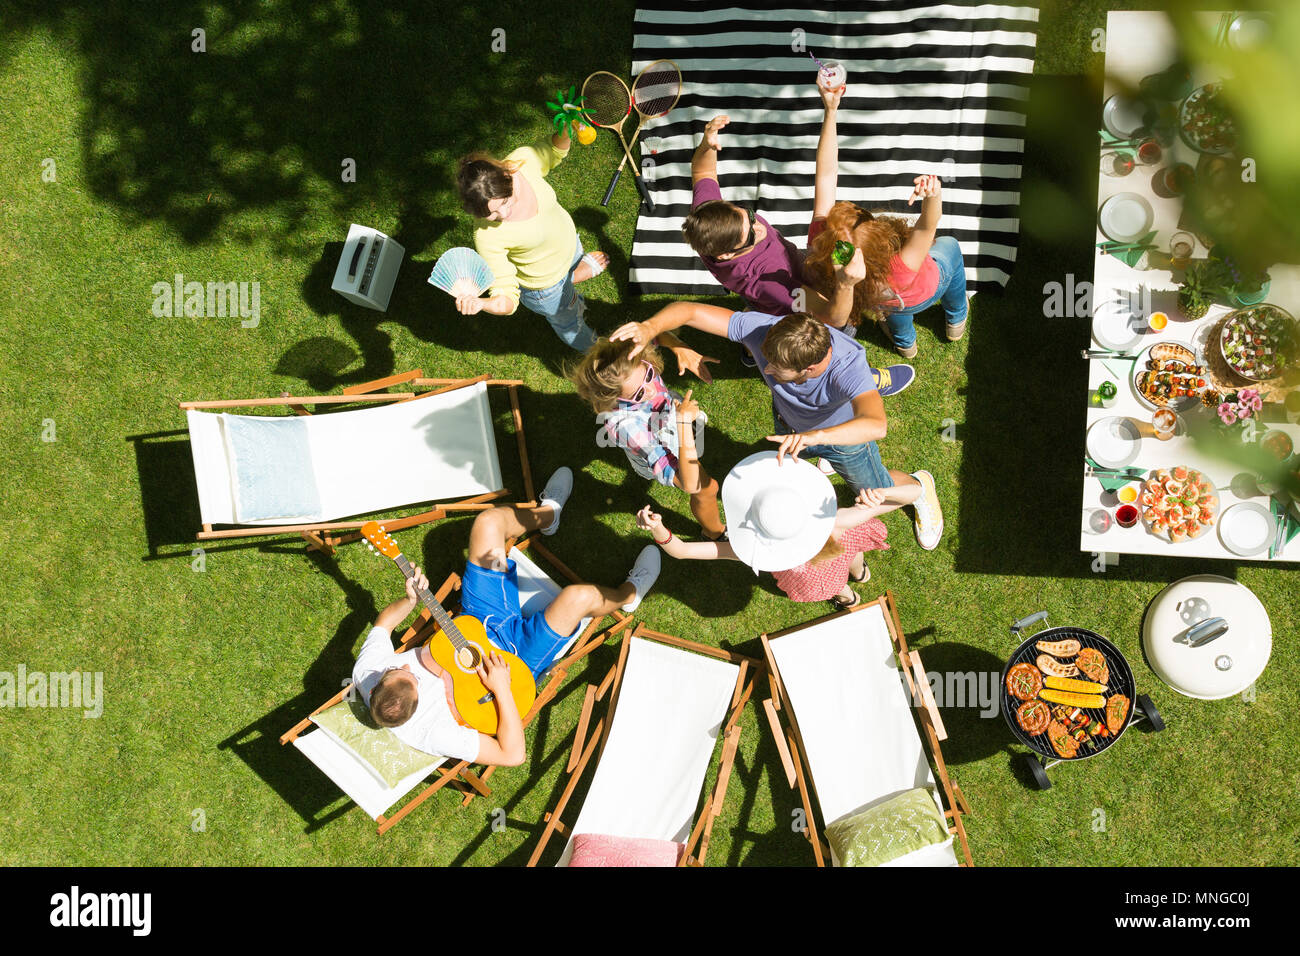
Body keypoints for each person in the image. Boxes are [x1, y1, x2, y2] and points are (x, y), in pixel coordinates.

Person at [352, 467, 661, 763]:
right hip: (516, 660)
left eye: (400, 671)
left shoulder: (368, 675)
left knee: (488, 523)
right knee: (577, 597)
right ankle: (629, 595)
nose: (411, 670)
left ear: (380, 683)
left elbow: (383, 624)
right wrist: (500, 686)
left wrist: (408, 600)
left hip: (477, 621)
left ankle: (548, 515)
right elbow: (513, 755)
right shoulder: (431, 733)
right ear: (417, 702)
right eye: (415, 680)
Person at [611, 305, 944, 550]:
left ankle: (919, 487)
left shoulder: (847, 369)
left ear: (811, 368)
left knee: (874, 492)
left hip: (844, 439)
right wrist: (649, 327)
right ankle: (819, 448)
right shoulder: (767, 331)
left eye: (777, 368)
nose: (766, 370)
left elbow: (876, 425)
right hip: (790, 425)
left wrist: (816, 437)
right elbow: (690, 311)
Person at [680, 101, 913, 398]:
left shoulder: (708, 218)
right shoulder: (770, 282)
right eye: (750, 235)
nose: (759, 227)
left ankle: (753, 347)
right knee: (832, 341)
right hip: (787, 306)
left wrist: (708, 143)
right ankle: (863, 379)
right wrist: (845, 284)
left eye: (749, 214)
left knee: (759, 315)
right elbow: (833, 317)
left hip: (766, 297)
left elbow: (702, 173)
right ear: (725, 254)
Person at [635, 452, 890, 610]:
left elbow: (682, 551)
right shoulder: (839, 522)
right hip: (845, 543)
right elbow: (898, 497)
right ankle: (860, 572)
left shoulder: (753, 549)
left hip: (817, 580)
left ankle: (849, 597)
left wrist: (658, 528)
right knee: (853, 553)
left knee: (836, 586)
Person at [455, 126, 608, 351]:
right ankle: (600, 353)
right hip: (546, 287)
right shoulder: (487, 235)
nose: (503, 216)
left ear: (507, 176)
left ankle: (572, 274)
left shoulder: (520, 164)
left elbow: (553, 151)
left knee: (572, 266)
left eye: (505, 203)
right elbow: (506, 294)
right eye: (491, 214)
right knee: (569, 322)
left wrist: (566, 129)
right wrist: (481, 303)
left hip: (569, 245)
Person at [803, 163, 970, 360]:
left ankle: (906, 343)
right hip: (929, 290)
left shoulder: (836, 275)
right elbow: (927, 225)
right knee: (949, 246)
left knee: (896, 315)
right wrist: (933, 194)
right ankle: (956, 318)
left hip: (890, 305)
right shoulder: (901, 266)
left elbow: (825, 177)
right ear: (879, 239)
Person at [569, 337, 726, 539]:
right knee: (706, 490)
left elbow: (656, 334)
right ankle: (714, 533)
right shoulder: (626, 426)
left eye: (649, 374)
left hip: (671, 421)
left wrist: (679, 347)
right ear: (614, 398)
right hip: (663, 448)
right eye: (638, 393)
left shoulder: (634, 362)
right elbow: (689, 483)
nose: (651, 389)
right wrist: (684, 423)